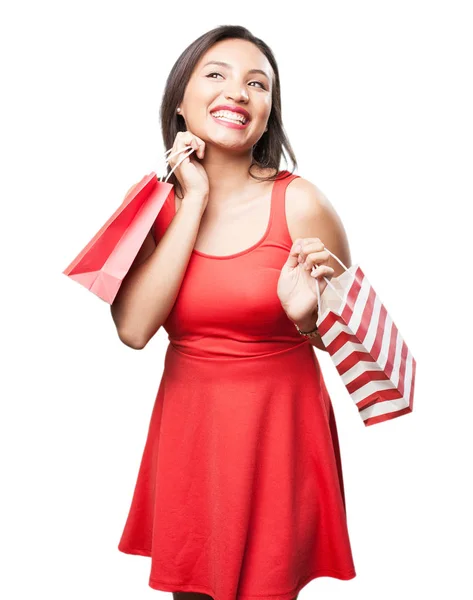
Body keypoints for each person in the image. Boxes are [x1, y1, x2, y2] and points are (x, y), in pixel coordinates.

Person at [110, 24, 356, 600]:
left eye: (258, 84)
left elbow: (354, 339)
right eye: (216, 75)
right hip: (192, 431)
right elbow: (134, 328)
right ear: (180, 101)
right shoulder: (147, 206)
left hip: (280, 432)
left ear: (268, 114)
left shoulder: (303, 203)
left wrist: (306, 319)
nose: (238, 93)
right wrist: (192, 197)